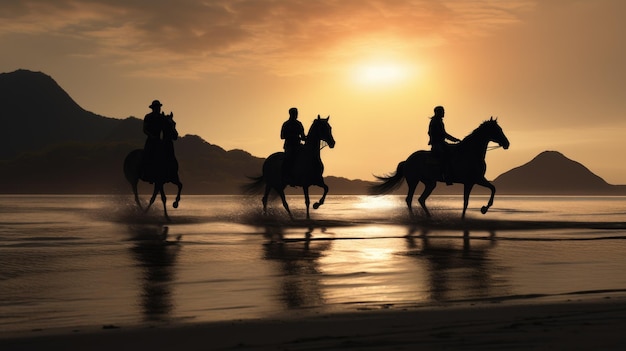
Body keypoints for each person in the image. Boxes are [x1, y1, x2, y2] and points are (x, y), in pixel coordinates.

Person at [428, 105, 460, 185]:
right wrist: (454, 139)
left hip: (441, 143)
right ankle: (446, 175)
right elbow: (443, 134)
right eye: (442, 112)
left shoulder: (438, 121)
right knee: (447, 156)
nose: (444, 113)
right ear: (438, 113)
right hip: (437, 144)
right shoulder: (435, 121)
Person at [280, 107, 306, 184]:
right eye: (295, 113)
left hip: (298, 145)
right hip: (289, 146)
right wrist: (293, 136)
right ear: (291, 114)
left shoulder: (299, 124)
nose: (296, 115)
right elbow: (282, 136)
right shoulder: (286, 124)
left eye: (296, 113)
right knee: (288, 159)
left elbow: (303, 136)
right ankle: (285, 175)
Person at [142, 100, 165, 182]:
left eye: (159, 107)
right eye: (157, 107)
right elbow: (144, 129)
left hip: (159, 140)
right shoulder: (148, 117)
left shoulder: (162, 117)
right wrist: (151, 135)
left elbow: (165, 128)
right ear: (153, 108)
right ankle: (145, 173)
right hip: (151, 140)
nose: (158, 109)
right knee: (147, 154)